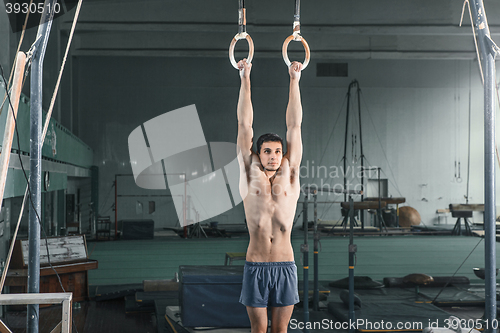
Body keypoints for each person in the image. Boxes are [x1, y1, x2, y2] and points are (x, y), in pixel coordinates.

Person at [236, 58, 303, 333]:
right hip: (256, 265)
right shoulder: (249, 171)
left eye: (277, 151)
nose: (274, 156)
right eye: (267, 151)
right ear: (258, 153)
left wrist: (294, 81)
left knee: (280, 331)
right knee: (259, 331)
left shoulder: (291, 171)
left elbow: (294, 126)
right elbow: (244, 124)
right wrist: (245, 78)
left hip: (285, 265)